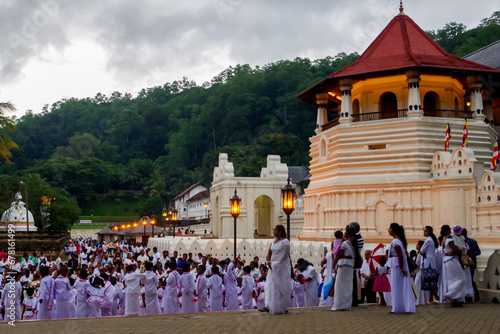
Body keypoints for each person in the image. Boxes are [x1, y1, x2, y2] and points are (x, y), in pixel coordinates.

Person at [387, 223, 415, 314]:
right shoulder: (397, 241)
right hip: (396, 265)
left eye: (390, 229)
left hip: (397, 266)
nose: (388, 230)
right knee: (397, 286)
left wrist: (402, 268)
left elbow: (400, 255)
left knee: (396, 286)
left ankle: (397, 307)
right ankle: (398, 306)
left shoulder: (396, 242)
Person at [330, 227, 358, 311]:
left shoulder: (345, 243)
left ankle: (339, 304)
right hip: (349, 265)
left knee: (339, 286)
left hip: (343, 265)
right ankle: (346, 304)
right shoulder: (353, 243)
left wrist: (334, 263)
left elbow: (339, 254)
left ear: (348, 234)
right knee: (348, 286)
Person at [442, 225, 467, 307]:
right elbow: (455, 250)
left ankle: (455, 299)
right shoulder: (449, 239)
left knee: (453, 280)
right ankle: (450, 295)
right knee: (462, 278)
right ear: (448, 230)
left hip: (447, 260)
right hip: (452, 260)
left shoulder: (444, 239)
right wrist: (461, 250)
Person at [420, 226, 439, 304]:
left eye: (425, 231)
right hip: (432, 261)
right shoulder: (432, 240)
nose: (424, 232)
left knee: (429, 281)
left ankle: (435, 296)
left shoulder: (428, 240)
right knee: (431, 280)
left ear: (429, 232)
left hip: (428, 263)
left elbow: (421, 250)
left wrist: (423, 253)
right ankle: (431, 298)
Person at [462, 228, 481, 302]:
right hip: (472, 263)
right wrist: (471, 257)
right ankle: (476, 294)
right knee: (470, 278)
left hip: (464, 263)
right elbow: (478, 252)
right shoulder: (473, 241)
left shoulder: (461, 242)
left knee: (466, 279)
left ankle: (468, 296)